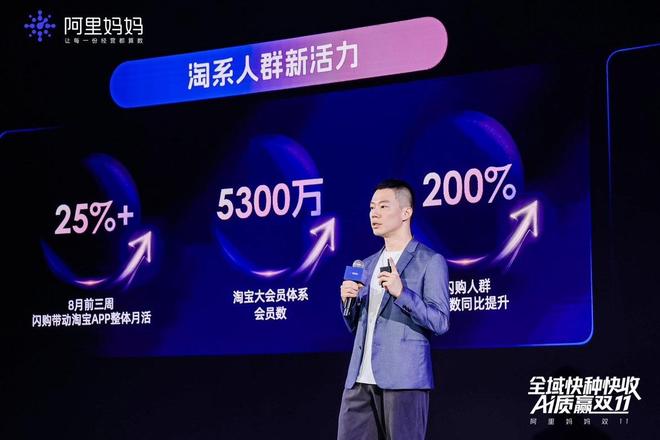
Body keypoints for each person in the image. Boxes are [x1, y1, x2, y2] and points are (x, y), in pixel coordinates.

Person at [337, 179, 450, 440]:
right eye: (371, 207)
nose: (374, 213)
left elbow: (440, 322)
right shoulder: (366, 264)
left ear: (405, 212)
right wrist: (347, 302)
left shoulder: (430, 261)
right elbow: (355, 325)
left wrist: (402, 293)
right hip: (359, 380)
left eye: (383, 206)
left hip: (404, 379)